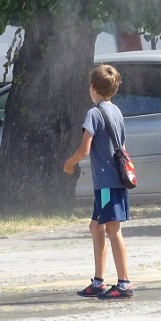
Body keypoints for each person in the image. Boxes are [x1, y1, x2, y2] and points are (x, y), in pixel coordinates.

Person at [63, 63, 133, 300]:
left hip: (106, 184)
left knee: (112, 229)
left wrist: (70, 163)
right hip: (114, 181)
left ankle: (124, 283)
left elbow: (85, 149)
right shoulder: (116, 111)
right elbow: (122, 146)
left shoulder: (93, 113)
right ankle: (98, 281)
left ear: (93, 87)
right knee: (96, 227)